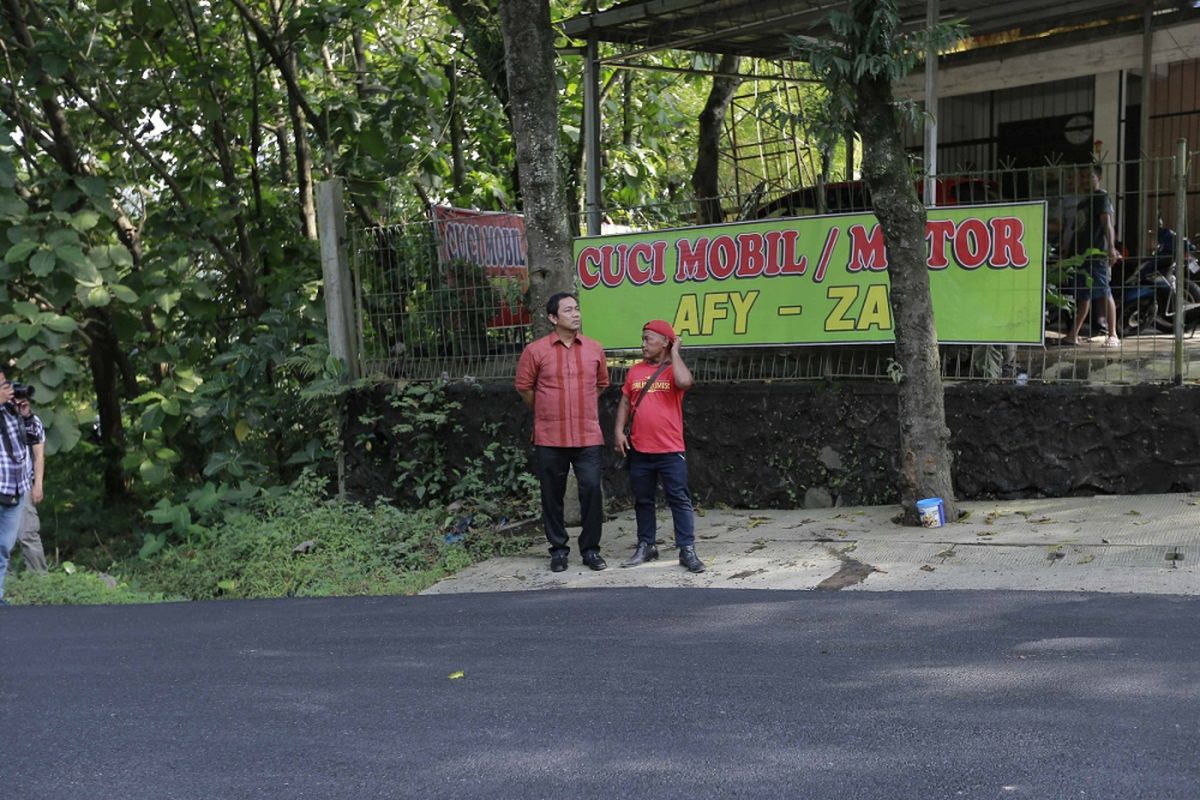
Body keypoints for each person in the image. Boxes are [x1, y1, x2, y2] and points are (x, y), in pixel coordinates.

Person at [515, 292, 610, 573]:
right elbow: (524, 387)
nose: (576, 314)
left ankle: (591, 550)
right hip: (550, 435)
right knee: (551, 494)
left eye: (577, 309)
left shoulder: (595, 349)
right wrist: (546, 409)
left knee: (592, 489)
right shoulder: (536, 351)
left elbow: (601, 384)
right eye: (568, 310)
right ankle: (558, 550)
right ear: (553, 318)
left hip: (587, 434)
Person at [613, 320, 705, 573]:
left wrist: (675, 353)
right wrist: (618, 431)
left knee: (679, 499)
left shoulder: (672, 370)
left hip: (670, 450)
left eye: (648, 339)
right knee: (643, 500)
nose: (643, 344)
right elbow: (624, 402)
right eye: (642, 339)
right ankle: (647, 545)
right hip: (640, 449)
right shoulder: (634, 371)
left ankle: (686, 549)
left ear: (665, 342)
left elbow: (685, 382)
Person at [1063, 163, 1121, 347]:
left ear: (1099, 178)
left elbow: (1107, 224)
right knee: (1084, 296)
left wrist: (1111, 247)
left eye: (1090, 176)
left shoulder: (1101, 197)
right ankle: (1073, 334)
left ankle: (1113, 335)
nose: (1086, 180)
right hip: (1081, 256)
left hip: (1095, 253)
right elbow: (1077, 230)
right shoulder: (1083, 202)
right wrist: (1068, 252)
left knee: (1104, 291)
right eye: (1083, 177)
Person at [0, 371, 45, 604]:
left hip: (19, 487)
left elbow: (37, 446)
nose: (9, 391)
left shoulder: (19, 415)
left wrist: (26, 416)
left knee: (16, 540)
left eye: (7, 385)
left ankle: (38, 583)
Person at [17, 438, 47, 573]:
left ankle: (39, 579)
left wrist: (38, 485)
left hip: (21, 483)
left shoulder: (31, 422)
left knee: (27, 531)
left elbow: (39, 455)